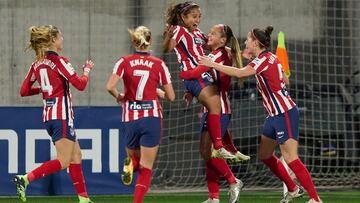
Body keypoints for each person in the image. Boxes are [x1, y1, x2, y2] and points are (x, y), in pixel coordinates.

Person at [199, 26, 322, 203]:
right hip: (273, 116)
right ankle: (293, 189)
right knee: (264, 155)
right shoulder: (268, 57)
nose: (245, 42)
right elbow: (285, 80)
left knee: (291, 158)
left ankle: (315, 199)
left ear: (256, 43)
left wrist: (212, 64)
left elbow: (241, 72)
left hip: (284, 113)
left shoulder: (263, 60)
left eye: (248, 40)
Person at [15, 25, 94, 203]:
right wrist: (87, 70)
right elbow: (80, 85)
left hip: (50, 116)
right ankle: (25, 179)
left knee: (76, 156)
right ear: (53, 40)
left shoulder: (37, 63)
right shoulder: (60, 61)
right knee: (64, 160)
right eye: (60, 36)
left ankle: (84, 199)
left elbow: (24, 91)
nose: (62, 39)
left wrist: (44, 90)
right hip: (62, 116)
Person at [106, 26, 175, 203]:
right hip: (151, 117)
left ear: (133, 41)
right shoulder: (159, 64)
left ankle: (131, 165)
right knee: (146, 167)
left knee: (134, 159)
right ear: (150, 41)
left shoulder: (123, 61)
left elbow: (109, 86)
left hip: (130, 116)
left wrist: (119, 96)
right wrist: (160, 93)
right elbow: (171, 96)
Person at [183, 24, 251, 203]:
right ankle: (213, 197)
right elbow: (205, 79)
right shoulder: (221, 53)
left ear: (222, 40)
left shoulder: (217, 55)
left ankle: (233, 181)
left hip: (219, 109)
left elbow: (196, 73)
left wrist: (183, 75)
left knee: (209, 152)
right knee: (207, 152)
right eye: (209, 32)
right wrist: (192, 91)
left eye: (213, 33)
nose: (209, 34)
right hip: (211, 108)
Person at [162, 1, 236, 160]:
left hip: (200, 75)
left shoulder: (197, 33)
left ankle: (222, 150)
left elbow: (210, 45)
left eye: (199, 16)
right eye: (194, 16)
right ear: (184, 17)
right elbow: (167, 49)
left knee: (215, 107)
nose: (198, 19)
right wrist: (168, 36)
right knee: (216, 105)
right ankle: (220, 145)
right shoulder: (179, 30)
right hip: (194, 75)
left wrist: (230, 49)